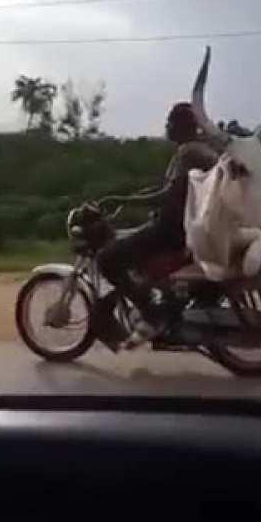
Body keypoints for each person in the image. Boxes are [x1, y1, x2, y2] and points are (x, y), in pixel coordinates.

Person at [96, 102, 219, 348]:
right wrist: (141, 195)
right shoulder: (199, 150)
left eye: (169, 123)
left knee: (106, 259)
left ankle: (151, 312)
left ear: (181, 126)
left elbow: (168, 195)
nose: (166, 127)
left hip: (172, 230)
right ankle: (156, 300)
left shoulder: (188, 153)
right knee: (134, 250)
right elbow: (173, 189)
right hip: (185, 225)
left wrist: (124, 199)